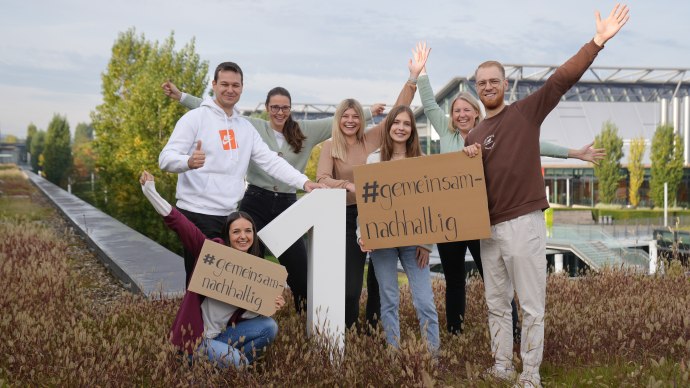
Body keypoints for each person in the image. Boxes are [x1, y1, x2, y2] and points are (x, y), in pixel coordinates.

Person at [463, 5, 629, 387]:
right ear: (476, 88)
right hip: (488, 229)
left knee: (531, 305)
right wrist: (466, 159)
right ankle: (502, 365)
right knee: (495, 304)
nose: (488, 87)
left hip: (524, 223)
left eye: (494, 81)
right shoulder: (472, 137)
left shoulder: (524, 113)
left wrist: (597, 42)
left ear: (505, 85)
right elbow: (467, 187)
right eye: (482, 82)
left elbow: (560, 80)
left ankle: (531, 374)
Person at [407, 44, 606, 338]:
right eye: (456, 111)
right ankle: (456, 332)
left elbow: (534, 144)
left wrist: (573, 153)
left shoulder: (490, 132)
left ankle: (512, 332)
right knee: (454, 280)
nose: (461, 114)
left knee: (495, 279)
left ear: (476, 113)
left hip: (481, 218)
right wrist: (421, 72)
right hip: (452, 220)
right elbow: (430, 103)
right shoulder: (449, 133)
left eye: (466, 110)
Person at [161, 81, 384, 313]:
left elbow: (337, 121)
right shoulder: (251, 126)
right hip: (255, 201)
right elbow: (217, 109)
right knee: (243, 259)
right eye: (275, 107)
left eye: (285, 107)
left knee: (300, 270)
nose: (280, 112)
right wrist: (182, 96)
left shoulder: (306, 130)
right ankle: (242, 314)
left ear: (291, 109)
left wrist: (368, 112)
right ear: (267, 108)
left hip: (287, 204)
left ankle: (306, 321)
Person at [158, 62, 323, 292]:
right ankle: (193, 328)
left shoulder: (244, 128)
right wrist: (187, 162)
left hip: (228, 216)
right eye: (224, 84)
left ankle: (222, 329)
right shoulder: (195, 119)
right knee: (200, 285)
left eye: (235, 85)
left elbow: (271, 161)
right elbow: (165, 159)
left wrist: (304, 182)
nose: (230, 89)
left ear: (242, 88)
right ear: (214, 85)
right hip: (197, 213)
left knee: (224, 287)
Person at [139, 170, 285, 368]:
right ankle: (215, 362)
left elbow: (244, 312)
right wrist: (151, 193)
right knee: (235, 360)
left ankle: (223, 366)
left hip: (221, 336)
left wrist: (269, 302)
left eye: (248, 231)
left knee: (269, 326)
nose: (243, 236)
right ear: (228, 235)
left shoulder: (255, 269)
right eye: (236, 231)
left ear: (253, 235)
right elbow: (180, 224)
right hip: (195, 340)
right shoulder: (212, 253)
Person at [316, 67, 419, 330]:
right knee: (352, 287)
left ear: (362, 120)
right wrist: (349, 185)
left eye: (356, 116)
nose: (351, 120)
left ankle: (372, 333)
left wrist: (412, 79)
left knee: (379, 282)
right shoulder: (331, 146)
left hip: (379, 213)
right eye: (346, 116)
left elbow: (398, 111)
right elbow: (322, 179)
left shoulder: (370, 139)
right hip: (348, 218)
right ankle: (347, 330)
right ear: (339, 119)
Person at [357, 105, 440, 354]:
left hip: (415, 242)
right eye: (396, 123)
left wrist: (427, 243)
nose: (401, 128)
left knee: (425, 300)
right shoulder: (374, 159)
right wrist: (363, 235)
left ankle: (433, 355)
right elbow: (366, 203)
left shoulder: (421, 162)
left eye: (406, 123)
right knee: (389, 299)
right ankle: (393, 354)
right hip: (382, 242)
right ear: (389, 126)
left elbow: (431, 205)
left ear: (412, 129)